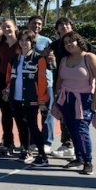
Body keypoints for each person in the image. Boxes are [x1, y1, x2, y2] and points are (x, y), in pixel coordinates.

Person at [49, 17, 96, 159]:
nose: (64, 27)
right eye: (60, 25)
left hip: (83, 90)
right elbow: (43, 58)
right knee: (66, 120)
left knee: (81, 126)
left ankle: (84, 158)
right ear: (57, 30)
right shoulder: (55, 46)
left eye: (66, 24)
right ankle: (69, 145)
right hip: (64, 89)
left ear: (72, 27)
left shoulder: (84, 49)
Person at [54, 31, 96, 175]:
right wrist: (56, 97)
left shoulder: (89, 57)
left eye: (71, 41)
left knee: (81, 130)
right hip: (66, 99)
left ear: (78, 41)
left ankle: (88, 162)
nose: (68, 44)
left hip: (84, 99)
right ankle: (79, 158)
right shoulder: (64, 60)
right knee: (71, 129)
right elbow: (60, 80)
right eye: (65, 43)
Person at [4, 30, 50, 167]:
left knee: (33, 126)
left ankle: (42, 155)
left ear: (32, 42)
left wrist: (42, 100)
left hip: (32, 99)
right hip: (16, 98)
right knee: (21, 125)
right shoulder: (14, 59)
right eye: (22, 40)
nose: (24, 43)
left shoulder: (39, 59)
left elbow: (42, 81)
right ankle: (26, 150)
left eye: (27, 40)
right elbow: (9, 78)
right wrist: (7, 91)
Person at [27, 15, 56, 153]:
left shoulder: (47, 41)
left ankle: (47, 142)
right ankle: (32, 141)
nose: (36, 26)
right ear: (28, 24)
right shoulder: (24, 39)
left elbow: (53, 64)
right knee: (30, 114)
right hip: (30, 83)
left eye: (39, 24)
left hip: (46, 82)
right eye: (34, 23)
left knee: (46, 113)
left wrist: (48, 57)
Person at [0, 19, 19, 156]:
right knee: (6, 114)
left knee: (20, 115)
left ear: (15, 27)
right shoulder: (0, 45)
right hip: (3, 81)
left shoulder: (22, 43)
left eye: (9, 26)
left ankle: (26, 145)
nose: (6, 29)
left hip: (19, 81)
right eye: (4, 27)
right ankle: (8, 143)